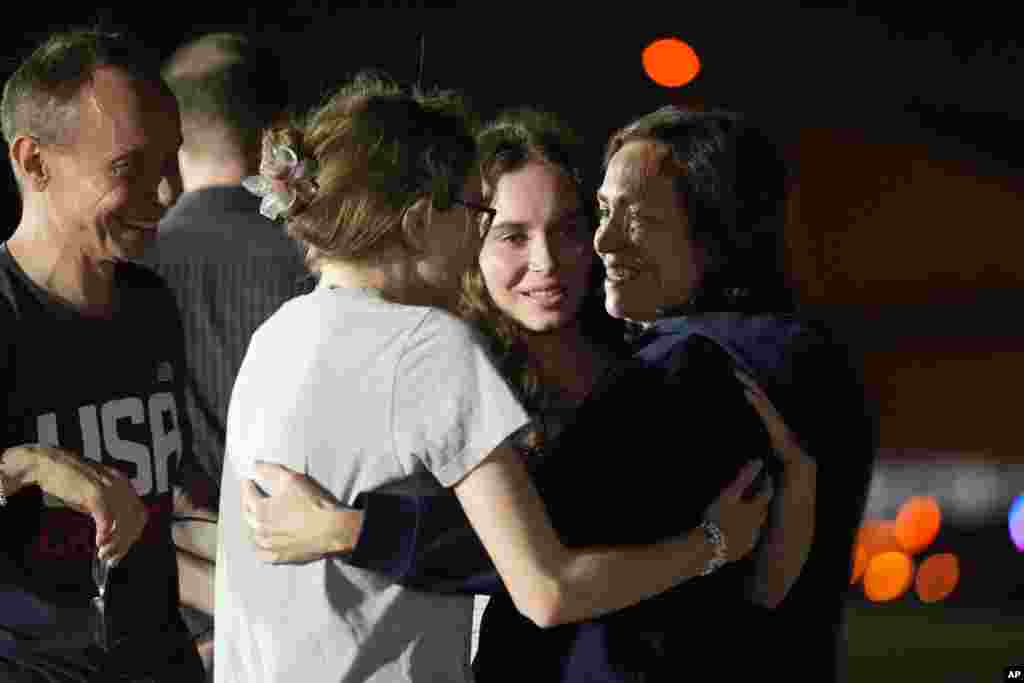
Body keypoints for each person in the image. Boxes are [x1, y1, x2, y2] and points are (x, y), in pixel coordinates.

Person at [215, 77, 771, 683]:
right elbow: (547, 589)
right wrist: (712, 545)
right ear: (424, 219)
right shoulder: (429, 345)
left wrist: (351, 531)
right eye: (482, 214)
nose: (480, 236)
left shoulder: (275, 335)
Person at [0, 29, 208, 681]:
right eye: (131, 168)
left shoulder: (150, 302)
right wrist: (27, 465)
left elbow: (163, 509)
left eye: (172, 162)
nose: (169, 193)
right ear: (34, 163)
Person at [145, 35, 309, 669]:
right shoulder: (317, 260)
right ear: (278, 130)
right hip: (300, 595)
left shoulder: (125, 267)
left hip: (173, 612)